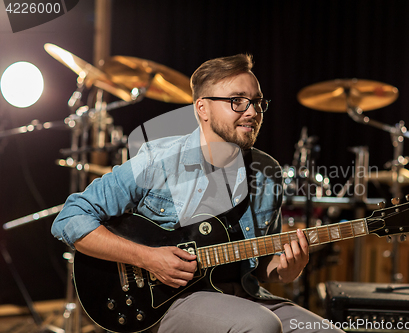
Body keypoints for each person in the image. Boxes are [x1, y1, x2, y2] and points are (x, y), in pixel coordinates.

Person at [52, 54, 344, 333]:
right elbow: (69, 218)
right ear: (202, 108)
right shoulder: (159, 160)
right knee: (261, 325)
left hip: (244, 296)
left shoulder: (268, 172)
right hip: (167, 302)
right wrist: (147, 258)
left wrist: (286, 270)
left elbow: (260, 264)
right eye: (237, 102)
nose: (253, 112)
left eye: (256, 102)